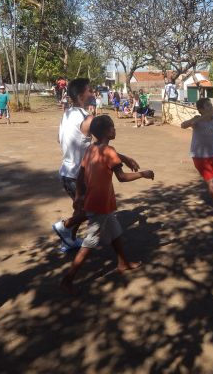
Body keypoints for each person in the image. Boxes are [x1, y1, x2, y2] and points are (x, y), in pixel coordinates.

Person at [60, 115, 154, 295]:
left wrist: (79, 196)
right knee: (90, 242)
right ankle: (68, 279)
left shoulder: (90, 149)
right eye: (112, 127)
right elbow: (122, 177)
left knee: (115, 231)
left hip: (98, 201)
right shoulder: (109, 151)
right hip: (100, 204)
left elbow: (80, 176)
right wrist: (143, 174)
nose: (115, 129)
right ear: (106, 132)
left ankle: (123, 263)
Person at [52, 78, 140, 250]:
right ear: (80, 96)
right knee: (93, 210)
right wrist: (123, 158)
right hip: (79, 174)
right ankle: (64, 227)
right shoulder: (87, 119)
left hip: (66, 172)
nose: (93, 94)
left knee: (83, 208)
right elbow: (101, 148)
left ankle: (68, 239)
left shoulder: (66, 115)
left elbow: (58, 139)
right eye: (89, 91)